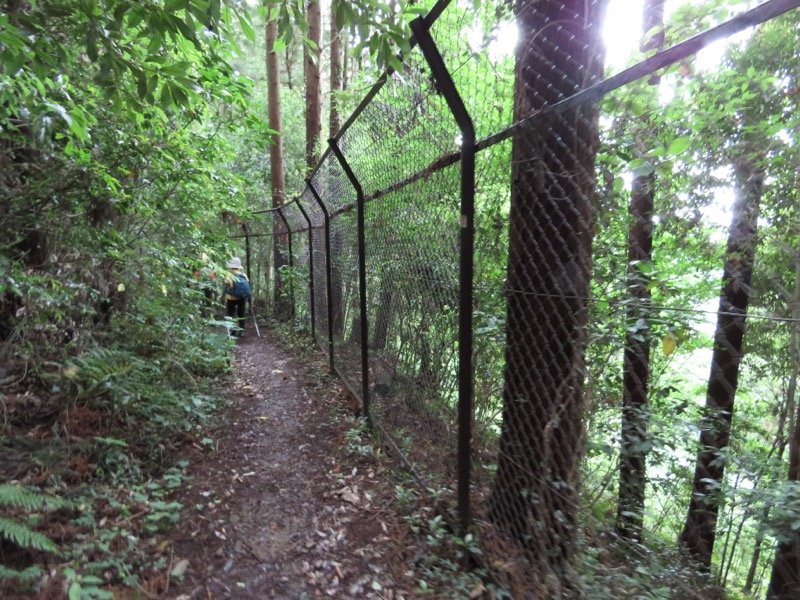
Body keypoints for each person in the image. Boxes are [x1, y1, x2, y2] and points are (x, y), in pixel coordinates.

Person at [221, 257, 251, 337]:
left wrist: (222, 297)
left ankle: (233, 331)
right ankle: (242, 331)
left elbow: (225, 286)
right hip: (242, 298)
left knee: (231, 314)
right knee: (241, 314)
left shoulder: (229, 275)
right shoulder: (243, 275)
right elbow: (247, 286)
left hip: (231, 298)